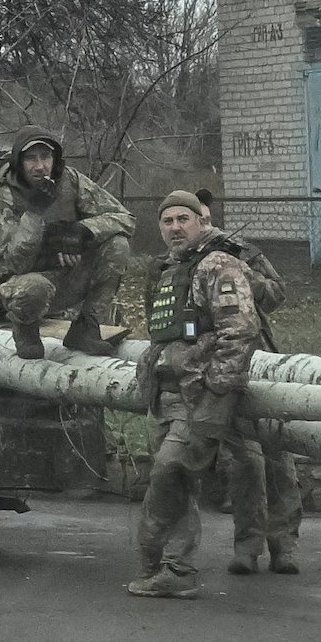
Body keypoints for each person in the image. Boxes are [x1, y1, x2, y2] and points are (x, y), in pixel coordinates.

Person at [127, 191, 265, 599]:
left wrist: (216, 393)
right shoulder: (169, 270)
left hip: (198, 395)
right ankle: (166, 567)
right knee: (173, 480)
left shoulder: (219, 266)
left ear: (201, 223)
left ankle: (170, 565)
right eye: (167, 221)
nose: (174, 228)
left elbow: (240, 331)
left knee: (171, 471)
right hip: (166, 395)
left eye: (183, 219)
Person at [196, 188, 302, 574]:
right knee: (243, 464)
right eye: (197, 221)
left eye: (207, 219)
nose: (203, 227)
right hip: (216, 367)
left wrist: (243, 276)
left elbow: (277, 294)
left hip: (260, 359)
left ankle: (284, 546)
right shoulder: (182, 263)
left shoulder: (242, 252)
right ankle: (247, 546)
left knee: (278, 458)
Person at [0, 125, 136, 359]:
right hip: (23, 285)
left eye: (46, 157)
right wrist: (34, 215)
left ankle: (86, 326)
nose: (40, 166)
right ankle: (26, 332)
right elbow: (13, 263)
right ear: (18, 162)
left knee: (118, 245)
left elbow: (126, 219)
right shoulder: (2, 194)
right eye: (31, 159)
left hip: (68, 275)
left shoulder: (69, 179)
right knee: (32, 289)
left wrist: (81, 231)